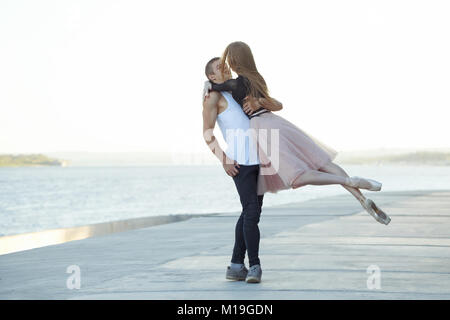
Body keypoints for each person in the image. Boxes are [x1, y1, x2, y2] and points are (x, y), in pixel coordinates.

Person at [203, 41, 391, 225]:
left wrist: (208, 85)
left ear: (235, 61)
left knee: (297, 176)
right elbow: (277, 104)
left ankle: (348, 180)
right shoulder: (257, 78)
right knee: (322, 162)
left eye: (228, 60)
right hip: (278, 123)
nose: (226, 65)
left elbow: (218, 87)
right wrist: (260, 102)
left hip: (263, 127)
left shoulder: (236, 84)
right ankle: (359, 197)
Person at [202, 57, 266, 283]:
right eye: (220, 68)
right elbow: (207, 133)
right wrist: (224, 159)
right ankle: (255, 266)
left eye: (226, 65)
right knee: (252, 212)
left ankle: (236, 265)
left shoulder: (237, 91)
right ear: (211, 76)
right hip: (239, 162)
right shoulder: (213, 98)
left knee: (250, 211)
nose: (226, 69)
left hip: (259, 158)